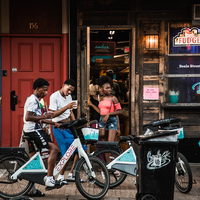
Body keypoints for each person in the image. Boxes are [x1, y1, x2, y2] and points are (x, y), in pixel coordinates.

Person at [23, 78, 67, 191]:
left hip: (33, 129)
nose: (46, 92)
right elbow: (28, 117)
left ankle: (31, 190)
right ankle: (49, 178)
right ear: (37, 89)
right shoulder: (33, 100)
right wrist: (44, 116)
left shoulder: (36, 99)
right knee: (54, 149)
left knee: (35, 160)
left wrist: (54, 123)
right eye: (44, 90)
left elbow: (38, 118)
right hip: (33, 130)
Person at [49, 79, 87, 184]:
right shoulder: (54, 96)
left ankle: (71, 174)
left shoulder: (69, 97)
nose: (69, 92)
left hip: (69, 127)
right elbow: (52, 115)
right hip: (59, 127)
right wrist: (67, 106)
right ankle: (60, 176)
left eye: (71, 91)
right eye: (68, 89)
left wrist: (75, 123)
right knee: (68, 152)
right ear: (63, 85)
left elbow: (70, 112)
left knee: (81, 148)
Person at [97, 76, 122, 163]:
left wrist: (109, 114)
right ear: (102, 89)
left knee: (110, 144)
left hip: (111, 120)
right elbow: (100, 111)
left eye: (110, 87)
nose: (109, 89)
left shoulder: (113, 98)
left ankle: (113, 165)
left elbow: (120, 111)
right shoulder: (101, 98)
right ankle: (108, 166)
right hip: (102, 121)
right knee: (104, 146)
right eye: (107, 88)